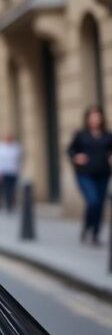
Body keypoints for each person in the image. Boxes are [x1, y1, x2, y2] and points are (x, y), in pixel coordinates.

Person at [67, 105, 112, 246]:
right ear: (87, 119)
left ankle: (95, 235)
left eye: (97, 116)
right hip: (85, 174)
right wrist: (76, 156)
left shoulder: (108, 136)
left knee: (99, 205)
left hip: (103, 174)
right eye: (92, 116)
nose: (95, 119)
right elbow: (70, 150)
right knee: (93, 201)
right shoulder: (80, 135)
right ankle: (87, 226)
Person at [0, 132, 22, 211]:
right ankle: (7, 204)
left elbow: (19, 159)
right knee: (5, 189)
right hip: (3, 171)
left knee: (12, 189)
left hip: (13, 171)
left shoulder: (16, 147)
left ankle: (10, 204)